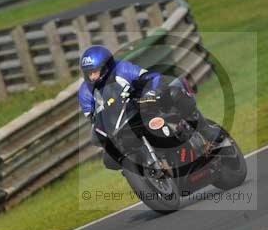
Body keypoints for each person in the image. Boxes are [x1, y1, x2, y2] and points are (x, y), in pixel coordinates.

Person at [77, 45, 220, 170]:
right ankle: (141, 171)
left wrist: (151, 92)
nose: (93, 77)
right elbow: (94, 120)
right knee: (110, 159)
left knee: (174, 93)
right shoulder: (85, 92)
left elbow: (152, 78)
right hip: (120, 125)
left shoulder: (122, 69)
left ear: (107, 66)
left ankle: (205, 130)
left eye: (96, 71)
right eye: (89, 73)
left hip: (142, 105)